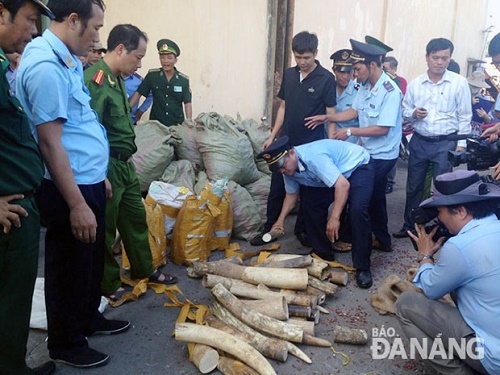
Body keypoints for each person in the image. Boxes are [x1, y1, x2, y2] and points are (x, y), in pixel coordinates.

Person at [16, 0, 131, 368]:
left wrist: (99, 178)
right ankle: (66, 342)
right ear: (72, 20)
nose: (99, 36)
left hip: (87, 178)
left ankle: (87, 318)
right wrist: (79, 203)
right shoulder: (45, 66)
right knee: (69, 262)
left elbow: (79, 124)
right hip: (69, 187)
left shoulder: (64, 57)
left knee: (90, 258)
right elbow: (50, 143)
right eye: (96, 27)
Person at [84, 24, 177, 301]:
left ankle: (144, 269)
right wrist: (101, 173)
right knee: (106, 230)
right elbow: (91, 130)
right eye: (137, 56)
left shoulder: (117, 79)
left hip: (125, 165)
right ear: (121, 49)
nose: (140, 62)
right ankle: (109, 284)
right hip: (108, 165)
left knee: (136, 220)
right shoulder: (96, 80)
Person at [306, 39, 402, 282]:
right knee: (374, 199)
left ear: (372, 64)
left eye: (356, 69)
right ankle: (383, 238)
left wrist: (350, 132)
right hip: (365, 153)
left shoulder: (390, 91)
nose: (353, 74)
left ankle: (363, 265)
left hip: (381, 156)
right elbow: (354, 112)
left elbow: (381, 129)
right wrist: (328, 118)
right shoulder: (366, 86)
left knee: (361, 205)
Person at [0, 1, 58, 374]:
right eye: (30, 20)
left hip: (20, 204)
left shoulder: (5, 67)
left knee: (14, 300)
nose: (34, 31)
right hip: (10, 211)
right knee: (9, 300)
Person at [396, 169, 500, 375]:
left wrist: (425, 256)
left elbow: (431, 289)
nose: (439, 219)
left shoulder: (460, 247)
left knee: (405, 304)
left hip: (494, 357)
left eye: (440, 211)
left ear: (460, 211)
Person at [251, 31, 337, 247]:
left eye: (306, 57)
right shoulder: (290, 75)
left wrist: (333, 137)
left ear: (316, 53)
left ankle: (303, 231)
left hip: (310, 145)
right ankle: (270, 227)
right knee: (278, 186)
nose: (302, 62)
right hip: (285, 143)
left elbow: (331, 113)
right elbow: (283, 106)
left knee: (308, 191)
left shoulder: (326, 79)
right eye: (297, 57)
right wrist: (272, 136)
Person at [257, 136, 375, 288]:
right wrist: (279, 221)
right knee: (310, 203)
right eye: (278, 169)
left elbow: (343, 185)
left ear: (292, 153)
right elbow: (291, 196)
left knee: (358, 210)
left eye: (282, 165)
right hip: (332, 176)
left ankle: (363, 267)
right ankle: (323, 251)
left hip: (357, 167)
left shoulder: (314, 158)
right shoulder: (288, 170)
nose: (282, 171)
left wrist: (334, 217)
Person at [393, 38, 472, 238]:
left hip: (446, 143)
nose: (439, 62)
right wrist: (413, 114)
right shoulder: (416, 84)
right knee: (413, 186)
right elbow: (404, 110)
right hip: (420, 141)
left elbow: (464, 116)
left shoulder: (459, 83)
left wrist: (461, 146)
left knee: (443, 188)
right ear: (427, 58)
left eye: (444, 58)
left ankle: (441, 227)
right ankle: (410, 225)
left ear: (449, 58)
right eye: (435, 57)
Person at [130, 38, 192, 127]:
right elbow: (139, 93)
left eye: (169, 58)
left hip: (176, 125)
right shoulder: (152, 76)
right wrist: (126, 111)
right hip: (156, 125)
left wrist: (189, 122)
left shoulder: (183, 80)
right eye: (162, 57)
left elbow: (187, 103)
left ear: (175, 60)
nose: (165, 61)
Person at [329, 48, 359, 143]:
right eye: (341, 72)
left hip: (350, 144)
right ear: (334, 70)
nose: (345, 76)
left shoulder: (359, 92)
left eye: (348, 72)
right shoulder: (327, 89)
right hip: (329, 141)